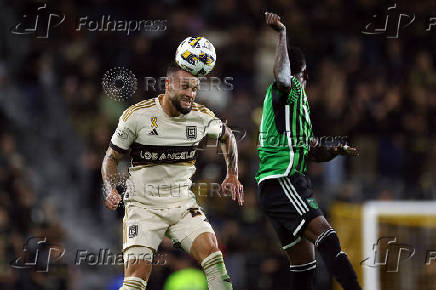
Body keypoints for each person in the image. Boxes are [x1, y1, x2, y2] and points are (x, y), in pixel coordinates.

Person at [102, 63, 244, 290]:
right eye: (185, 86)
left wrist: (232, 174)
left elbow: (228, 137)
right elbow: (111, 158)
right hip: (143, 205)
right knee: (135, 280)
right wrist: (110, 188)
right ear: (168, 85)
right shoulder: (137, 115)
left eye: (195, 88)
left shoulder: (201, 116)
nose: (190, 94)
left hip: (180, 203)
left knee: (213, 254)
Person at [256, 12, 362, 290]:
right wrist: (282, 33)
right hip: (283, 178)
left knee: (304, 264)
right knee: (327, 236)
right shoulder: (286, 91)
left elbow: (313, 150)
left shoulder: (298, 109)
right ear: (304, 75)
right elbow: (280, 75)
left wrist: (335, 150)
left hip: (282, 183)